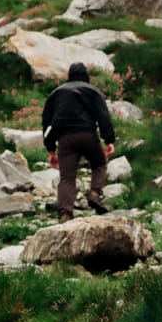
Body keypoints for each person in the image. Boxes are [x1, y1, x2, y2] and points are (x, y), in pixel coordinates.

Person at [41, 62, 116, 223]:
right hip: (88, 135)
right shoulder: (92, 91)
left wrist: (51, 149)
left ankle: (65, 213)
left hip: (65, 140)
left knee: (67, 178)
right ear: (86, 76)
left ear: (69, 76)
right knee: (99, 164)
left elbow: (47, 122)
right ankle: (95, 193)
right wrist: (108, 139)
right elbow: (103, 117)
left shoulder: (56, 93)